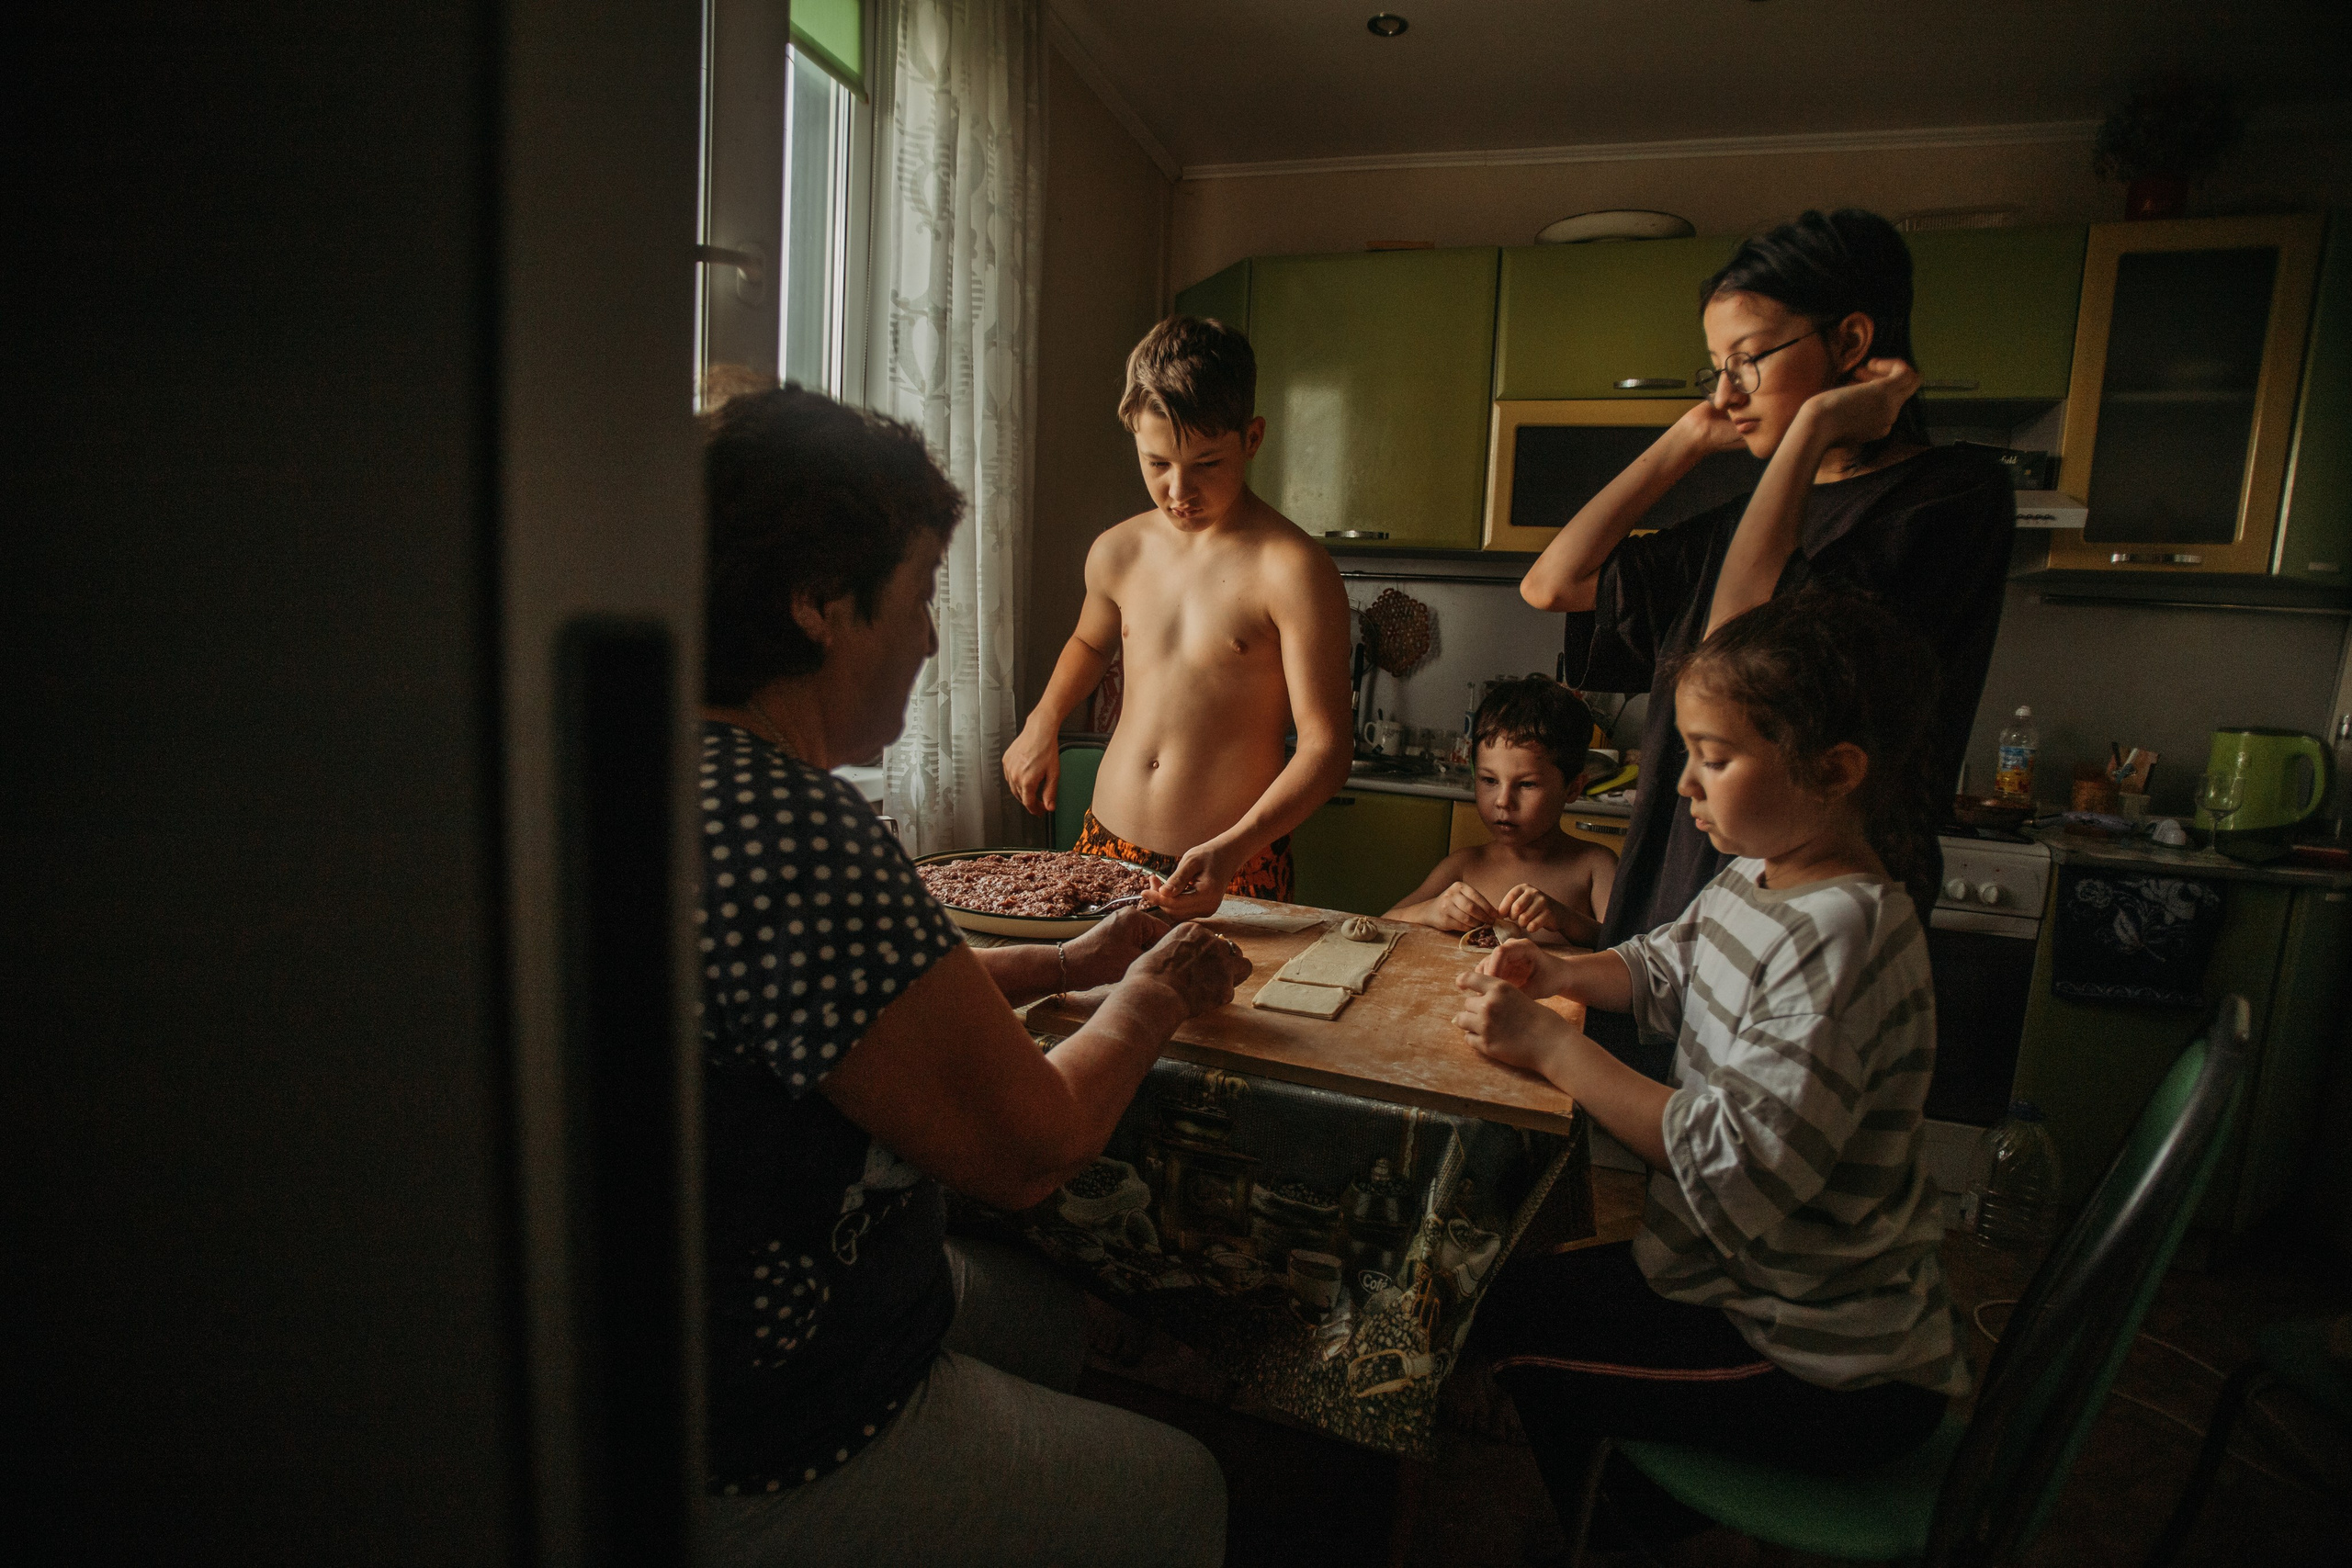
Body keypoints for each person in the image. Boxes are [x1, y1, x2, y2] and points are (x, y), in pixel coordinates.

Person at [696, 384, 1250, 1568]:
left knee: (1046, 1319)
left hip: (710, 1338)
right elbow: (1031, 1150)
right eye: (919, 597)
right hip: (763, 1430)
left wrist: (1067, 962)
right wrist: (1155, 992)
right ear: (817, 607)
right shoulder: (798, 832)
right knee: (1182, 1487)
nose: (933, 638)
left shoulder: (689, 773)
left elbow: (860, 999)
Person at [1451, 589, 1965, 1553]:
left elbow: (1731, 1162)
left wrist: (1554, 1046)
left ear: (1835, 772)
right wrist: (1561, 970)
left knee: (1511, 1335)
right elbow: (1661, 966)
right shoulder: (1759, 872)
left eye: (1714, 758)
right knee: (1494, 1293)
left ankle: (1624, 1534)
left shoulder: (1839, 936)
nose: (1684, 785)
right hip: (1721, 1282)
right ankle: (1638, 1513)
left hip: (1813, 1357)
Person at [1517, 209, 2013, 1073]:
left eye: (1747, 359)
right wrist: (1688, 436)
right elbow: (1552, 581)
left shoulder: (1950, 499)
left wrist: (1812, 430)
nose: (1727, 391)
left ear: (1852, 341)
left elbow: (1738, 642)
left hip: (1809, 909)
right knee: (1642, 1148)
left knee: (1741, 1155)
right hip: (1682, 888)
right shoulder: (1734, 524)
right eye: (1716, 369)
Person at [1002, 315, 1354, 919]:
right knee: (1090, 1010)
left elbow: (1327, 750)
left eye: (1207, 463)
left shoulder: (1293, 568)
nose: (1178, 491)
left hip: (1235, 857)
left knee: (1226, 1015)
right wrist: (1043, 721)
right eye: (1157, 462)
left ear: (1253, 437)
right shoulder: (1118, 550)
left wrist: (1234, 847)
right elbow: (1091, 643)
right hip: (1105, 843)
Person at [1385, 677, 1616, 946]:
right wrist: (1428, 912)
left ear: (1573, 788)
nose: (1503, 801)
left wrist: (1565, 919)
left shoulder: (1595, 866)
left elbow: (1629, 953)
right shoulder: (1463, 866)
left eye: (1527, 784)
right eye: (1489, 781)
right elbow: (1383, 923)